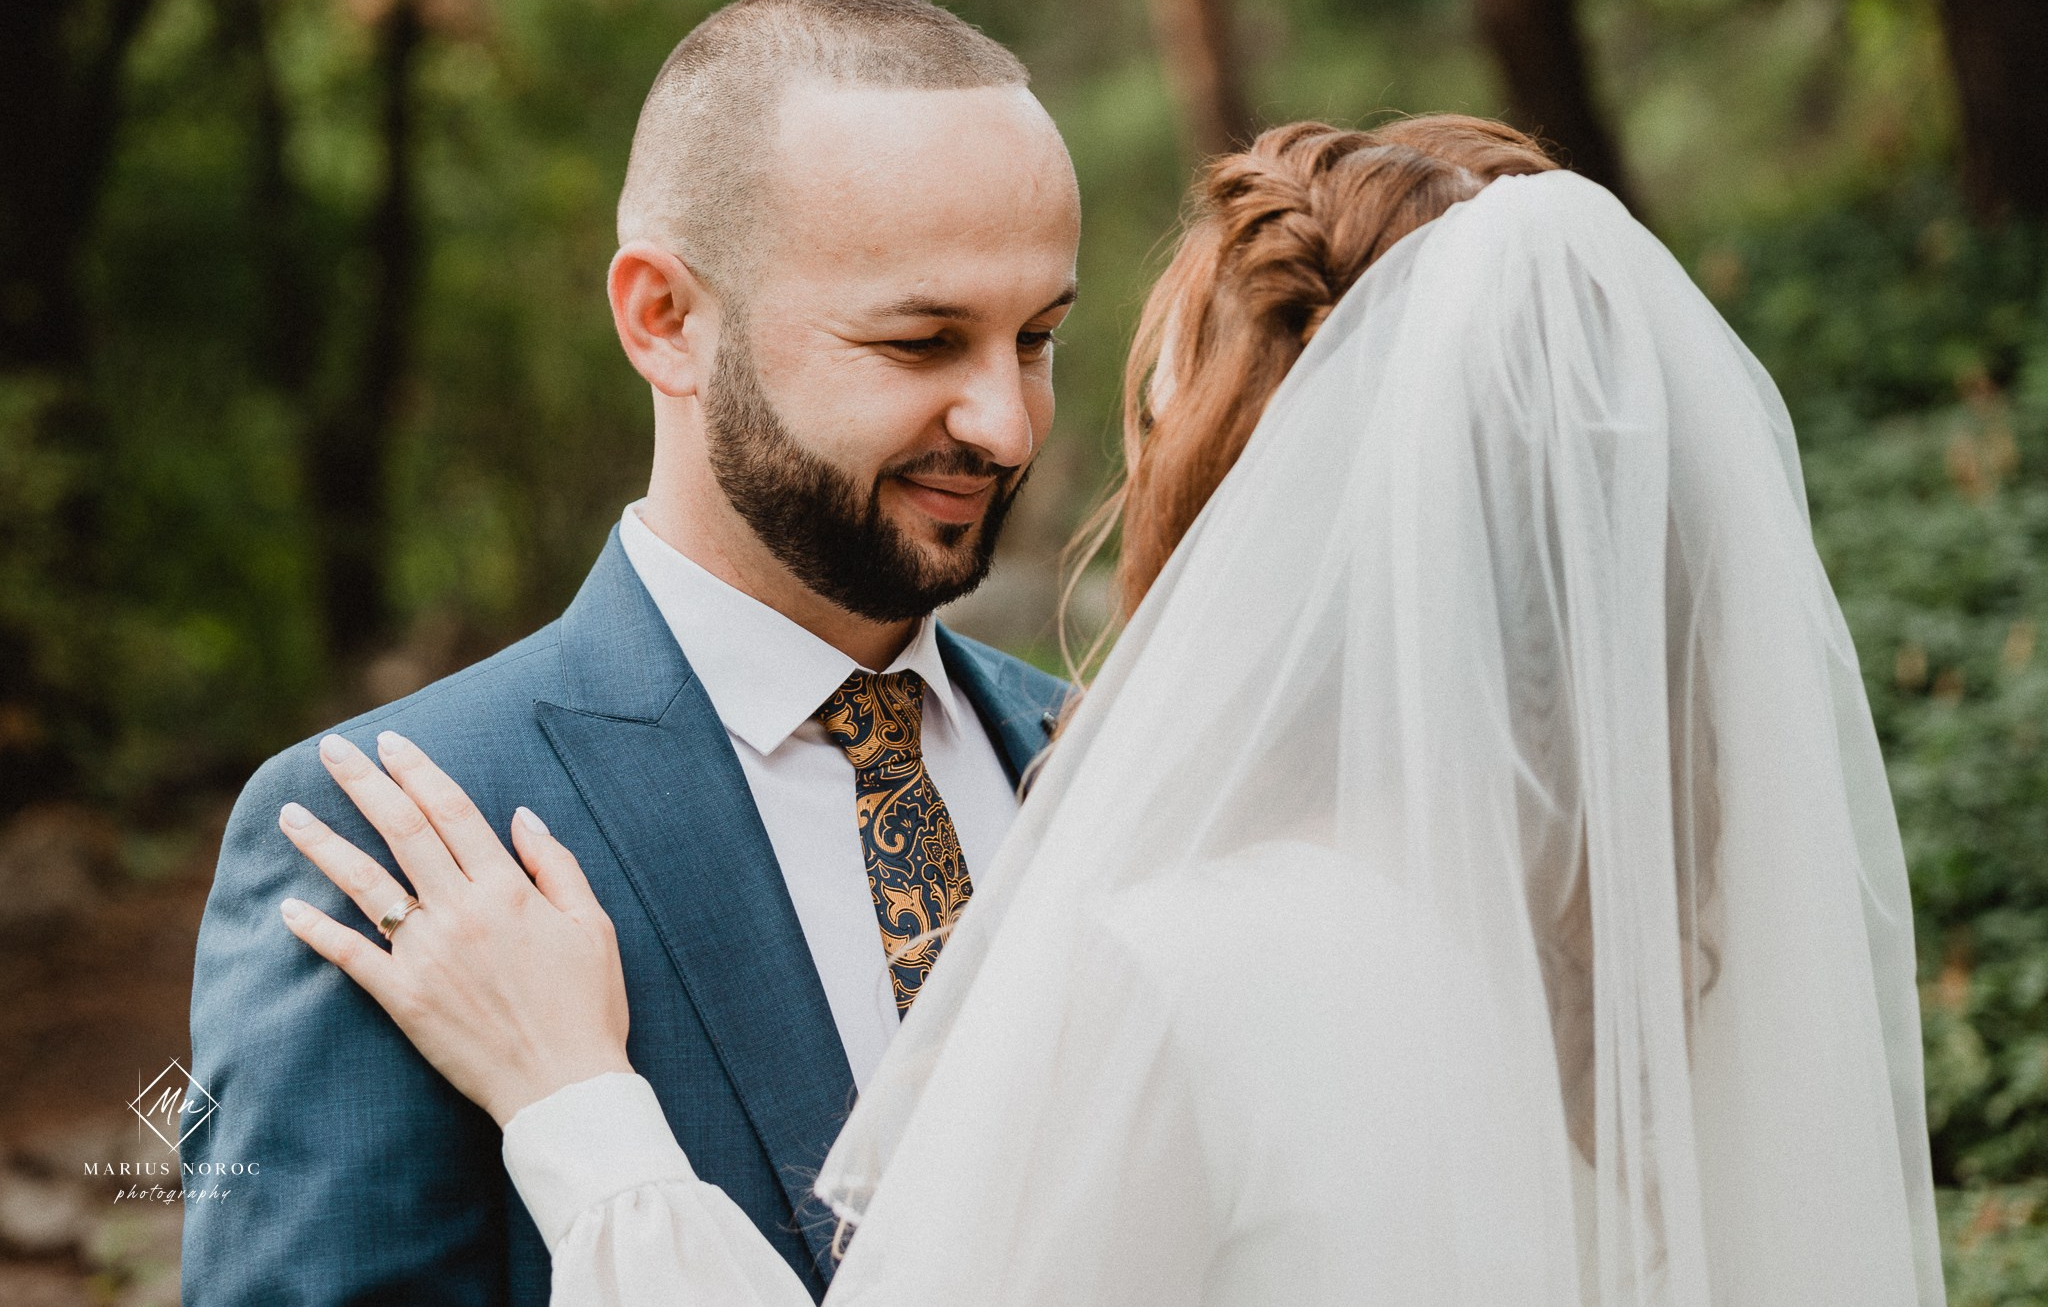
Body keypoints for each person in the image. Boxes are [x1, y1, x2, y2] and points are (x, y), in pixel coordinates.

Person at [276, 117, 1947, 1305]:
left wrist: (581, 1117)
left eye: (1073, 355)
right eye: (923, 335)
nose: (1011, 430)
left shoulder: (1166, 942)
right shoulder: (1627, 969)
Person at [181, 0, 1077, 1305]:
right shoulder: (396, 826)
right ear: (665, 318)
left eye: (1039, 337)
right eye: (920, 340)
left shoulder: (1100, 758)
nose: (1004, 424)